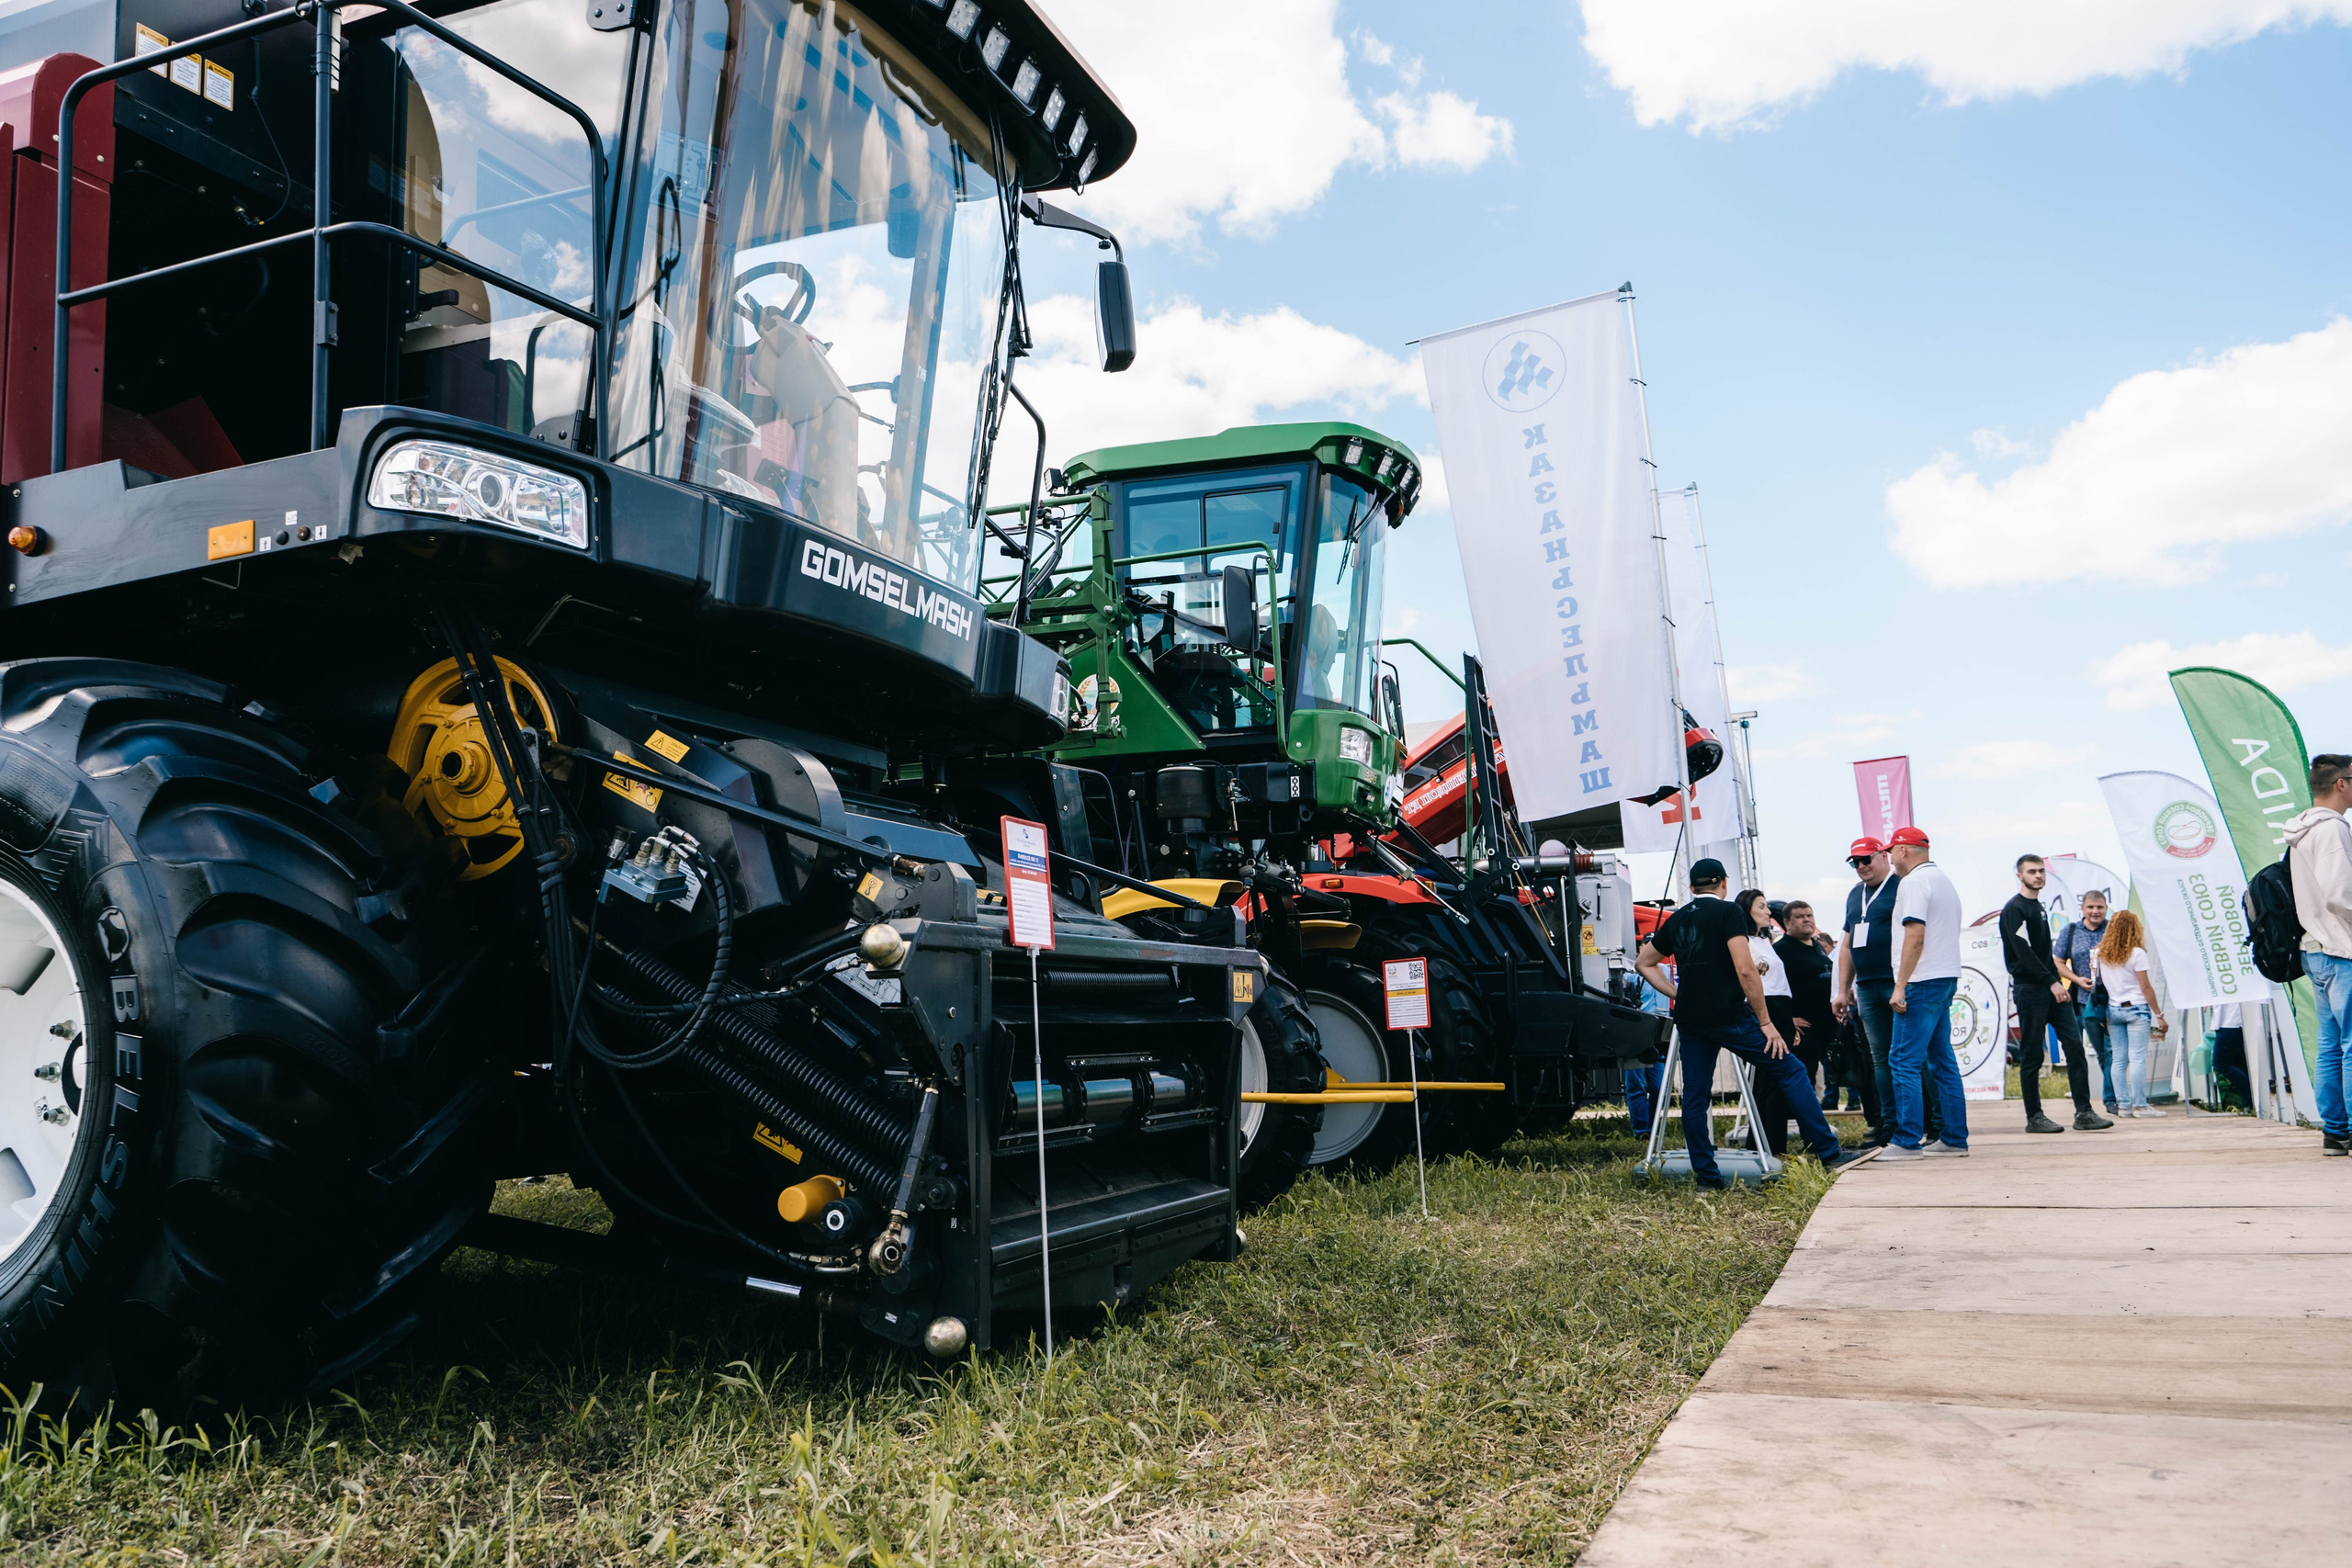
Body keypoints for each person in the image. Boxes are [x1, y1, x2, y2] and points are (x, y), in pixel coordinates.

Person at [1635, 859, 1876, 1189]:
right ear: (1723, 883)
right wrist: (1766, 1022)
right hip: (1729, 1015)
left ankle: (1707, 1178)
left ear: (1692, 888)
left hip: (1691, 1019)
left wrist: (1678, 993)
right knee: (1790, 1071)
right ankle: (1829, 1153)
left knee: (1695, 1095)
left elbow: (1643, 963)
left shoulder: (1679, 918)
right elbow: (1746, 968)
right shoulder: (1728, 913)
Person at [1997, 855, 2110, 1134]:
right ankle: (2034, 1117)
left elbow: (2044, 953)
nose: (2038, 875)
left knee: (2074, 1047)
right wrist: (2052, 982)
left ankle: (2084, 1112)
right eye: (2031, 872)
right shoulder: (2015, 909)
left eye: (2040, 871)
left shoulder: (2038, 907)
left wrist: (2056, 983)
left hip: (2052, 988)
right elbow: (2023, 954)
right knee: (2032, 1054)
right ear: (2019, 875)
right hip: (2032, 989)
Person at [1880, 826, 1969, 1159]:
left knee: (1903, 1060)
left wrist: (1900, 984)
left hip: (1922, 979)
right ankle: (1954, 1138)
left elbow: (1914, 935)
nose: (1888, 858)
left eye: (1890, 851)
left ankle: (1906, 1140)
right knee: (1942, 1060)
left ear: (1903, 850)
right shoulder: (1942, 880)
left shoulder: (1914, 882)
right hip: (1944, 976)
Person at [2284, 753, 2352, 1156]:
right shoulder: (2332, 830)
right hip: (2341, 950)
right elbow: (2339, 894)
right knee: (2348, 1045)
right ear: (2341, 783)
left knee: (2331, 1045)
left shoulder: (2301, 832)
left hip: (2315, 949)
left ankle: (2335, 1130)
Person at [1832, 837, 1908, 1146]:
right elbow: (1847, 944)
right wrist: (1842, 988)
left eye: (1866, 859)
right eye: (1855, 862)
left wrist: (1904, 983)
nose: (1861, 866)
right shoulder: (1855, 895)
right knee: (1879, 1058)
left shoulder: (1902, 886)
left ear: (1885, 857)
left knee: (1909, 1057)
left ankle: (1927, 1122)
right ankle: (1887, 1123)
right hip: (1866, 986)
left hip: (1895, 983)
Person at [1741, 889, 1800, 1156]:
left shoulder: (1766, 940)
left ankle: (1766, 1143)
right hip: (1764, 1007)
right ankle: (1769, 1146)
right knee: (1771, 1079)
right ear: (1747, 909)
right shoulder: (1742, 941)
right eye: (1762, 906)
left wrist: (1789, 1021)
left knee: (1776, 1079)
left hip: (1781, 1007)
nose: (1768, 911)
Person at [2094, 908, 2167, 1117]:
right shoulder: (2136, 953)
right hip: (2136, 1009)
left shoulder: (2100, 953)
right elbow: (2145, 987)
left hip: (2112, 1009)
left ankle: (2124, 1106)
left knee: (2118, 1060)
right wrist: (2159, 1014)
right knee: (2137, 1059)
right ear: (2135, 929)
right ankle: (2141, 1106)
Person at [2056, 890, 2120, 1115]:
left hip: (2111, 1000)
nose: (2095, 911)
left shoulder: (2114, 929)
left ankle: (2112, 1100)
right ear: (2082, 909)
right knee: (2086, 1052)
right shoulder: (2071, 931)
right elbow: (2057, 961)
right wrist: (2076, 980)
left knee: (2109, 1052)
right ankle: (2091, 1103)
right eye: (2091, 907)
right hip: (2083, 1002)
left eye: (2100, 907)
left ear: (2106, 909)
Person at [1777, 900, 1837, 1106]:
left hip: (1826, 1025)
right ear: (1787, 923)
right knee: (1805, 1077)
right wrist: (1787, 1019)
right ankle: (1805, 1124)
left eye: (1809, 915)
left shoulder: (1817, 946)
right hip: (1802, 1029)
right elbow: (1773, 990)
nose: (1806, 919)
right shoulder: (1781, 950)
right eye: (1800, 916)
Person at [2211, 1001, 2252, 1111]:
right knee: (2238, 1064)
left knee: (2220, 1064)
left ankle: (2249, 1097)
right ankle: (2248, 1102)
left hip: (2231, 1021)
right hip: (2228, 1021)